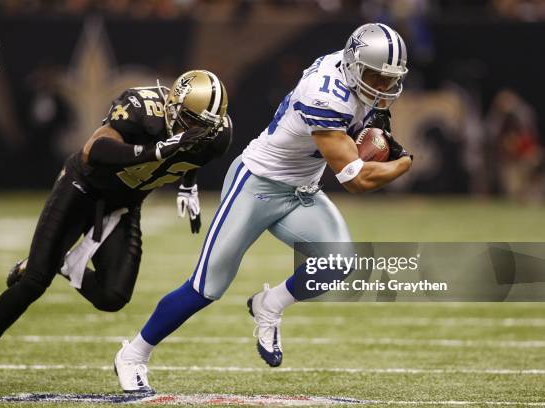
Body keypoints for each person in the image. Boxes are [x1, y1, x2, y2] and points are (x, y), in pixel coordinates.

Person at [113, 23, 412, 395]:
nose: (381, 87)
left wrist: (377, 127)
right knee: (206, 287)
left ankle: (270, 304)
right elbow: (355, 179)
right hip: (256, 185)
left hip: (300, 191)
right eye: (374, 77)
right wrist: (402, 163)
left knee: (339, 262)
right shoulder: (325, 94)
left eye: (388, 79)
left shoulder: (352, 75)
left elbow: (369, 120)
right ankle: (133, 354)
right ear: (353, 66)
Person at [0, 70, 232, 382]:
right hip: (82, 188)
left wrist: (188, 184)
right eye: (191, 121)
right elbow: (95, 150)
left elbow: (192, 152)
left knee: (113, 297)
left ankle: (64, 263)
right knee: (35, 281)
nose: (198, 130)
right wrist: (156, 150)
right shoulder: (141, 108)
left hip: (123, 205)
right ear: (172, 106)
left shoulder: (217, 136)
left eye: (205, 125)